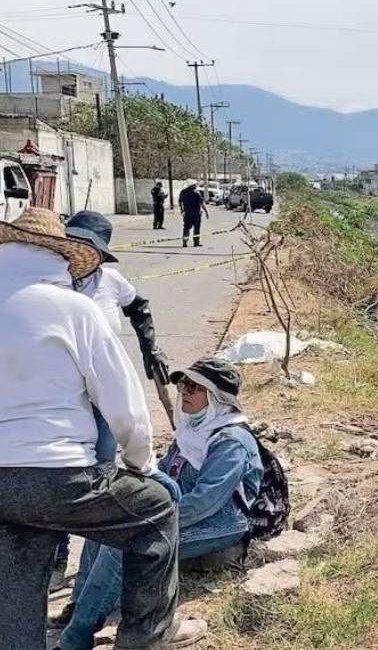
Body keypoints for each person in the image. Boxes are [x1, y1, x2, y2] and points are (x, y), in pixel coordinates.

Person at [0, 207, 203, 649]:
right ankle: (144, 640)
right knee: (156, 511)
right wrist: (141, 464)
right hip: (61, 474)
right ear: (57, 255)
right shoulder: (74, 308)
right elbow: (125, 406)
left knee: (16, 583)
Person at [57, 357, 260, 650]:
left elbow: (206, 502)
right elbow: (164, 474)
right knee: (105, 522)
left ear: (216, 397)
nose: (184, 391)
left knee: (126, 543)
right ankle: (79, 608)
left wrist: (153, 520)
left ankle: (77, 637)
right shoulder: (192, 429)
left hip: (221, 522)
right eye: (182, 384)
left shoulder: (232, 441)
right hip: (177, 510)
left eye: (194, 386)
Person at [41, 210, 172, 592]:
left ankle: (90, 569)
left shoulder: (111, 282)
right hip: (63, 396)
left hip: (103, 395)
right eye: (74, 244)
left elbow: (139, 307)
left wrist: (151, 350)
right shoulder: (50, 283)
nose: (79, 253)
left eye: (88, 247)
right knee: (62, 473)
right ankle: (57, 554)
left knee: (99, 472)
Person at [179, 181, 208, 248]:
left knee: (186, 229)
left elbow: (180, 202)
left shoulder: (183, 192)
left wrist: (182, 210)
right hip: (196, 214)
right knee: (196, 229)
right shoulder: (197, 193)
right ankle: (196, 242)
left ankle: (185, 242)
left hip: (187, 214)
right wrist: (206, 211)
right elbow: (201, 203)